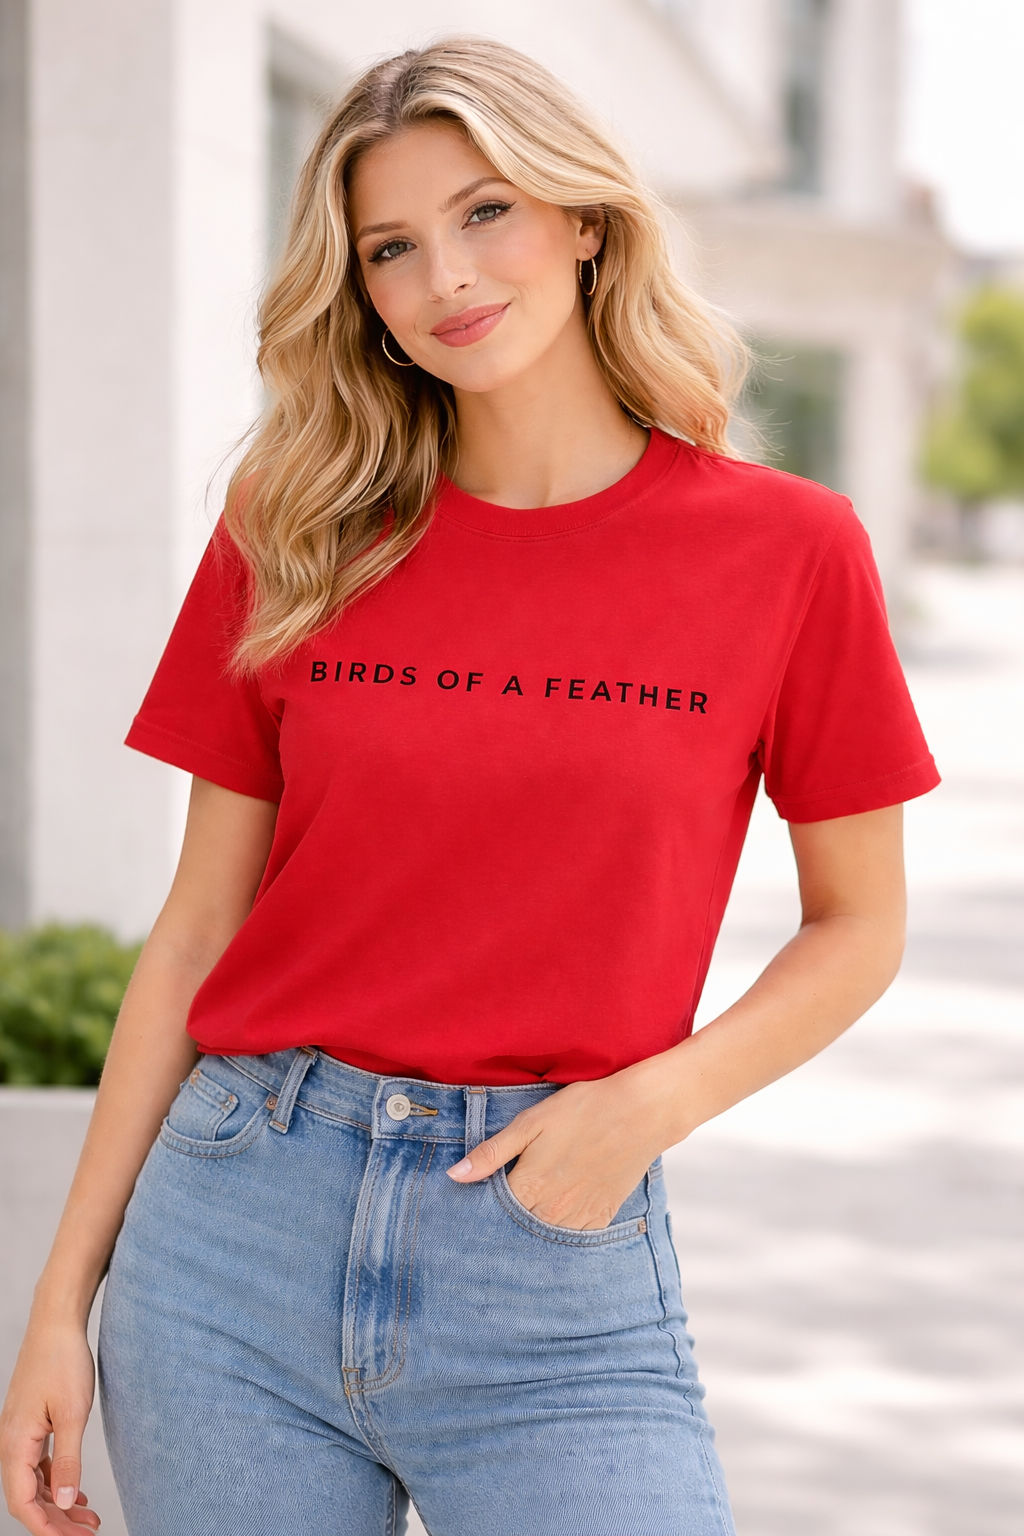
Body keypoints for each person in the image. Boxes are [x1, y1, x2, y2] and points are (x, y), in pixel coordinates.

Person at [0, 38, 939, 1536]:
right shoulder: (297, 525)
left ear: (583, 220)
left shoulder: (786, 551)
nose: (445, 274)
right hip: (236, 1237)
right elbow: (193, 932)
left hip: (552, 1250)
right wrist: (61, 1300)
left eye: (486, 211)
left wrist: (650, 1108)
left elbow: (859, 926)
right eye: (392, 246)